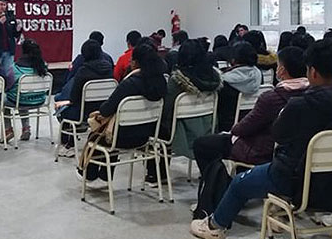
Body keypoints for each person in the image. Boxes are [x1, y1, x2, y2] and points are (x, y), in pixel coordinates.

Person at [190, 40, 332, 239]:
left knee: (240, 183)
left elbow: (279, 135)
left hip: (296, 181)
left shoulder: (300, 105)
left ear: (312, 72)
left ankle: (215, 227)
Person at [192, 47, 309, 181]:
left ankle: (221, 189)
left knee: (202, 145)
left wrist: (233, 130)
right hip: (294, 151)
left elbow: (243, 128)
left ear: (282, 70)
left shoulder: (272, 98)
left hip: (263, 149)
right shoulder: (311, 93)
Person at [78, 43, 167, 184]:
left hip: (122, 138)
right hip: (148, 136)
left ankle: (89, 174)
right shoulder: (162, 82)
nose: (130, 62)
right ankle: (104, 176)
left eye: (132, 59)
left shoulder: (130, 84)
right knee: (114, 130)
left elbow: (107, 109)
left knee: (96, 135)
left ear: (137, 62)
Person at [146, 39, 222, 184]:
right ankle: (207, 170)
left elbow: (167, 106)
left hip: (181, 131)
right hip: (207, 127)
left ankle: (157, 174)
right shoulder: (213, 77)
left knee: (156, 128)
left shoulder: (177, 80)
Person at [56, 40, 114, 157]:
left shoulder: (83, 71)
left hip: (84, 113)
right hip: (103, 112)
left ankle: (68, 145)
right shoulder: (109, 69)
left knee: (63, 111)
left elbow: (73, 98)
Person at [2, 38, 49, 142]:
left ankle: (8, 130)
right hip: (40, 100)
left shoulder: (15, 68)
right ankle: (26, 129)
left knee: (7, 101)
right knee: (22, 96)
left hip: (21, 100)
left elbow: (7, 87)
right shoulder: (44, 67)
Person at [216, 42, 263, 132]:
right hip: (254, 122)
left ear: (233, 60)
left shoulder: (224, 81)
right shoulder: (259, 75)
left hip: (229, 126)